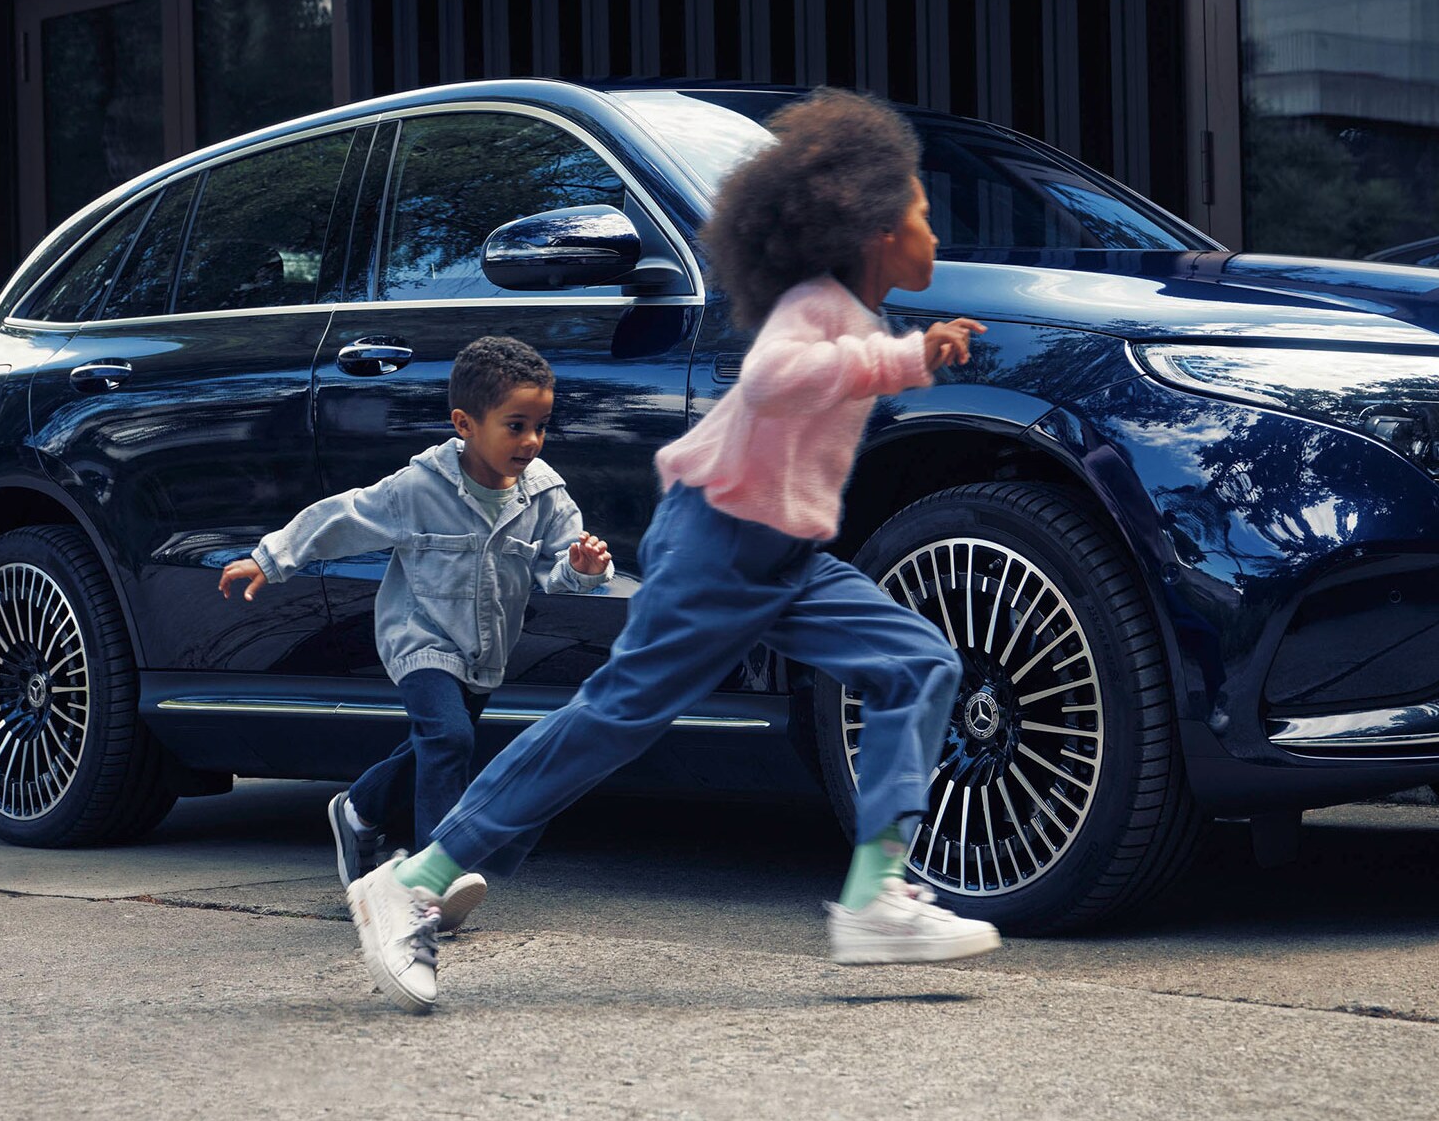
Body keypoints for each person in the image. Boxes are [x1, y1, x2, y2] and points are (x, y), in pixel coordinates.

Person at [346, 88, 1002, 1013]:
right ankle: (415, 878)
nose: (936, 229)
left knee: (919, 663)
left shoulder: (854, 318)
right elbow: (774, 379)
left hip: (787, 560)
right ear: (873, 228)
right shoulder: (816, 309)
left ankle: (873, 898)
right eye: (924, 214)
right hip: (717, 546)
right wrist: (907, 359)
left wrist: (895, 351)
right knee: (614, 718)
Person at [219, 336, 612, 935]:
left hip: (485, 649)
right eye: (515, 426)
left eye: (541, 426)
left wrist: (583, 570)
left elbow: (559, 567)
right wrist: (271, 559)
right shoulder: (419, 488)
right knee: (449, 737)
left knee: (435, 746)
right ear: (465, 424)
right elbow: (343, 517)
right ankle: (432, 878)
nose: (531, 441)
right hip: (419, 637)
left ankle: (358, 810)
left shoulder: (545, 494)